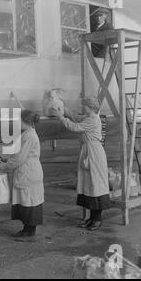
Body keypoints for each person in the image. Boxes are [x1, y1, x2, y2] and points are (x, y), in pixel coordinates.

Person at [52, 97, 110, 231]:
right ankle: (92, 218)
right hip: (89, 151)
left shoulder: (93, 119)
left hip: (94, 153)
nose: (83, 107)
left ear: (90, 107)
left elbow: (75, 126)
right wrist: (64, 109)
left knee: (96, 185)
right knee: (89, 184)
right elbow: (77, 117)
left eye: (85, 106)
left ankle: (97, 219)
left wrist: (61, 117)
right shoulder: (89, 117)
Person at [0, 110, 44, 238]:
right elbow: (19, 154)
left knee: (29, 202)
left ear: (26, 122)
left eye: (19, 120)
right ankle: (27, 229)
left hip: (28, 172)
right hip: (28, 171)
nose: (17, 122)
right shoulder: (28, 134)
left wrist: (5, 166)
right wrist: (7, 157)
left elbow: (19, 158)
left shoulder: (29, 136)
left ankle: (29, 231)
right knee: (27, 201)